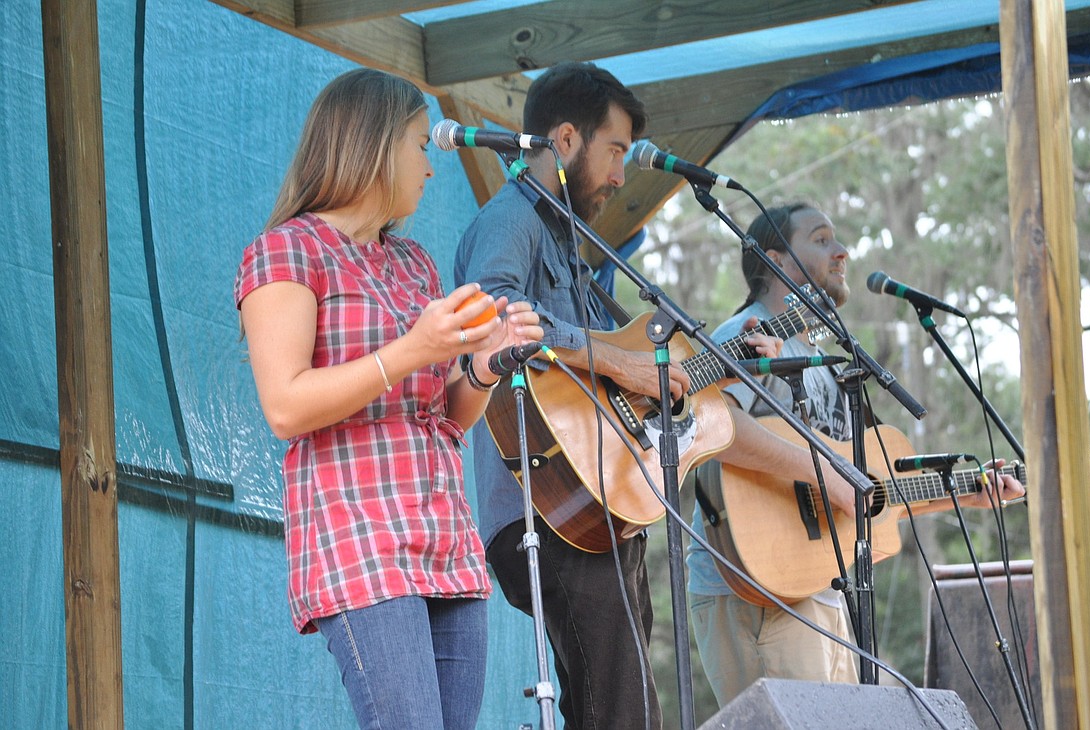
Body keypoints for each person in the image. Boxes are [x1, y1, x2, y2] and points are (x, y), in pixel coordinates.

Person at [453, 62, 779, 729]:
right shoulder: (511, 219)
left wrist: (729, 358)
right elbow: (495, 313)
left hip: (604, 502)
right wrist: (621, 364)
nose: (621, 174)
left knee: (620, 707)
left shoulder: (577, 250)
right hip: (544, 504)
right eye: (615, 151)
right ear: (565, 139)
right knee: (620, 710)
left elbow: (631, 385)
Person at [234, 68, 542, 729]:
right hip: (359, 533)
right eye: (418, 144)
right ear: (373, 144)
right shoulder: (286, 251)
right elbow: (285, 406)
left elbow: (445, 417)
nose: (430, 167)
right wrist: (413, 350)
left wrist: (484, 368)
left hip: (443, 535)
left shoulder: (414, 264)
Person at [685, 202, 1027, 706]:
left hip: (819, 584)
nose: (841, 252)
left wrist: (970, 494)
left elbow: (865, 493)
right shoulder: (745, 336)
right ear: (774, 259)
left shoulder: (825, 360)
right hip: (756, 588)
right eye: (821, 240)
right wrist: (828, 473)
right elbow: (712, 427)